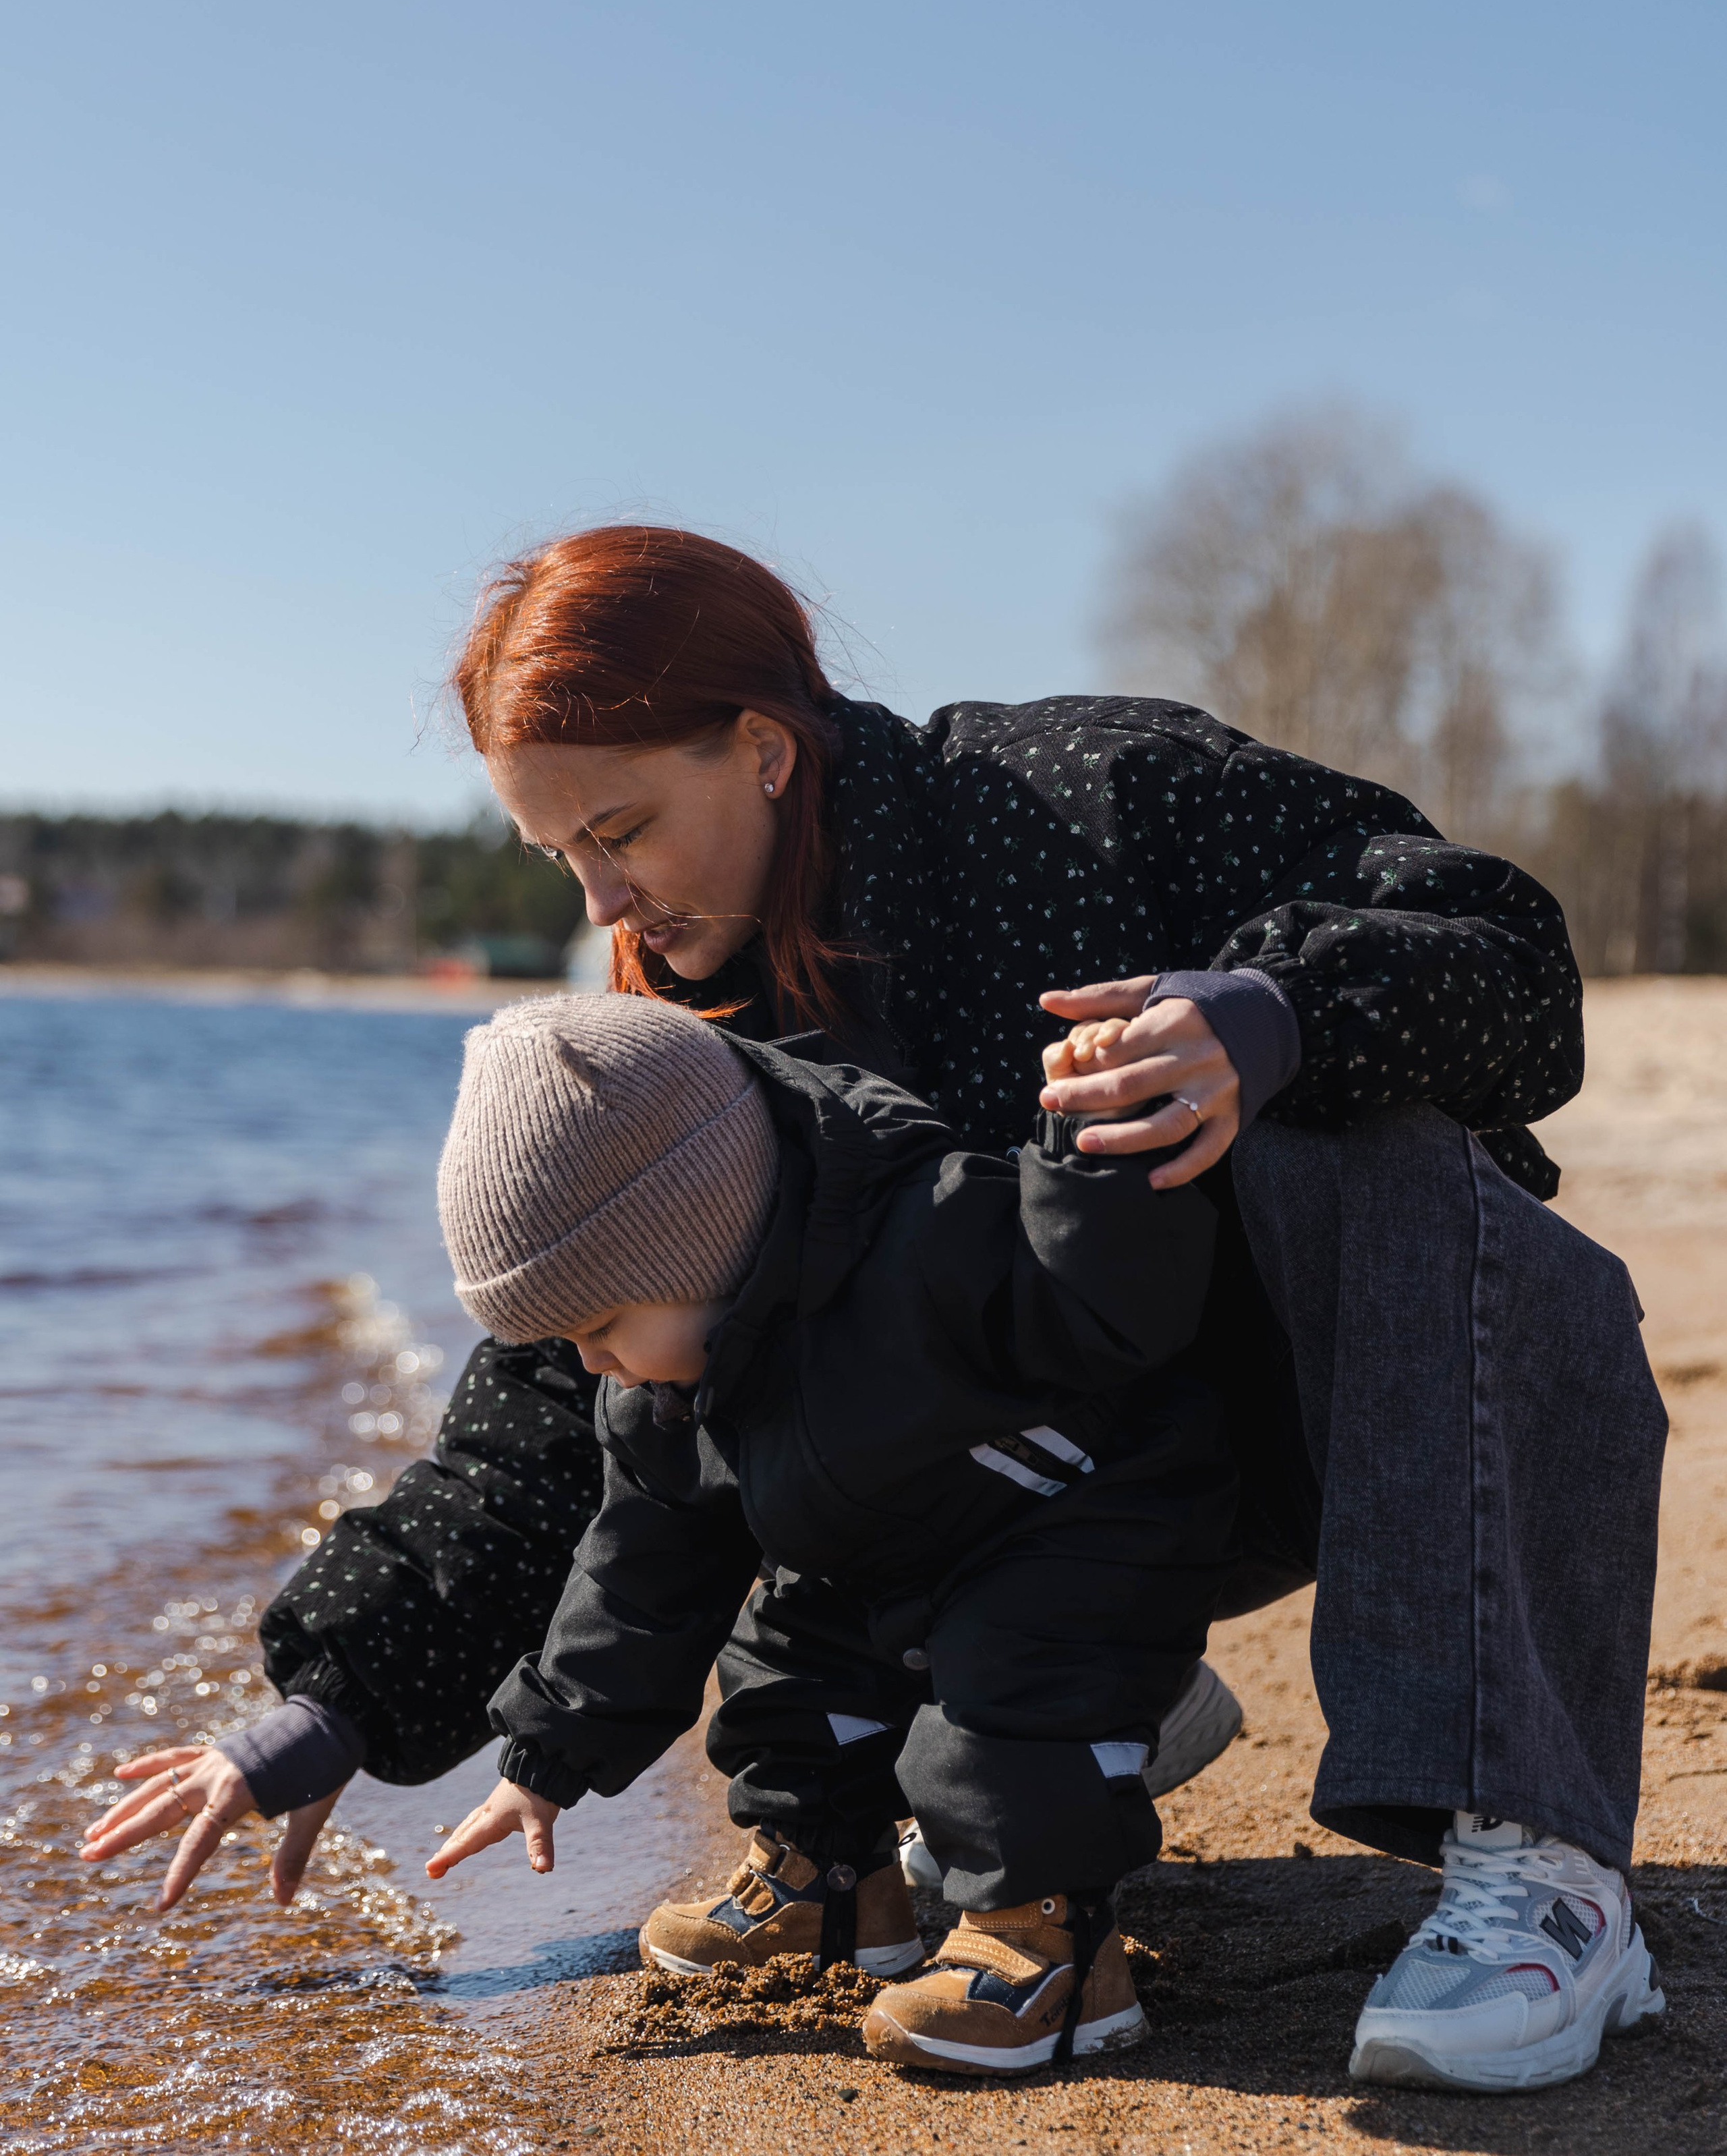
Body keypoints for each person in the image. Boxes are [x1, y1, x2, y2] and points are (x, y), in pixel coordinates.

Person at [82, 524, 1668, 2096]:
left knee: (1362, 1134)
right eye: (558, 857)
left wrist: (1269, 1016)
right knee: (698, 1363)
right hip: (1051, 1513)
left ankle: (1538, 1861)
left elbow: (1513, 958)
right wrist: (335, 1700)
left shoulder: (1084, 796)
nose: (601, 896)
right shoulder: (674, 1021)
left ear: (764, 750)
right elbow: (575, 1396)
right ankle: (1079, 1705)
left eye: (622, 830)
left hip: (1341, 1417)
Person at [422, 985, 1238, 2077]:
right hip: (892, 1548)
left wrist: (1092, 1150)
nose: (589, 1364)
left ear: (694, 1238)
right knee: (782, 1660)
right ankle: (837, 1892)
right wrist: (546, 1756)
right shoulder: (667, 1394)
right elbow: (639, 1578)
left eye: (601, 1324)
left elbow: (1097, 1296)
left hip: (1078, 1524)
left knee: (1008, 1702)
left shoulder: (926, 1239)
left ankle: (1057, 1947)